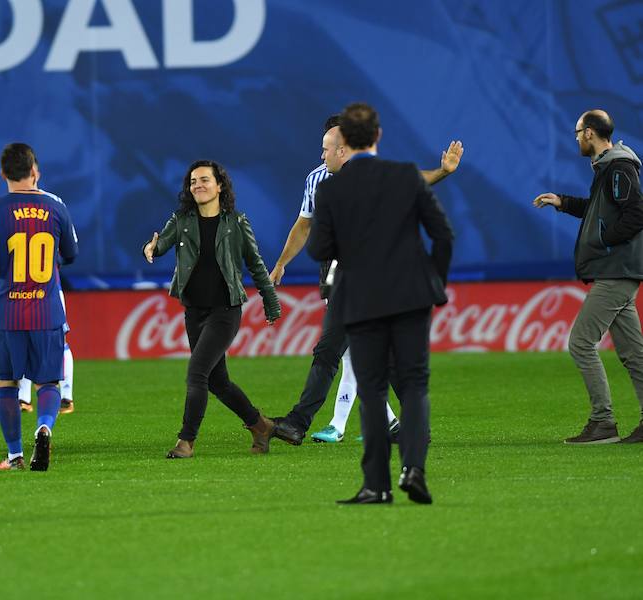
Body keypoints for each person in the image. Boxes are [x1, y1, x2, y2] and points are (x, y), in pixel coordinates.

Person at [271, 117, 462, 446]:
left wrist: (442, 171)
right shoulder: (317, 180)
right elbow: (303, 226)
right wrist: (280, 264)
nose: (321, 156)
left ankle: (301, 422)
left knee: (356, 354)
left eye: (325, 150)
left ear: (342, 151)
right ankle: (301, 422)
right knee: (336, 351)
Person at [308, 103, 453, 504]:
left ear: (344, 142)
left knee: (371, 391)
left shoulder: (331, 187)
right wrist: (433, 283)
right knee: (413, 386)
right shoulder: (406, 176)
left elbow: (318, 247)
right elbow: (443, 235)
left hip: (360, 299)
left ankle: (376, 485)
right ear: (377, 136)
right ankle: (414, 469)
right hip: (410, 297)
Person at [143, 159, 281, 458]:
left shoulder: (236, 223)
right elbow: (163, 241)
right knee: (218, 382)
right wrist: (152, 247)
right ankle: (261, 425)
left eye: (205, 180)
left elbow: (256, 266)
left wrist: (270, 301)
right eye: (193, 181)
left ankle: (186, 441)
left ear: (220, 186)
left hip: (225, 311)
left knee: (197, 373)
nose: (198, 185)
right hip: (194, 311)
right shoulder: (181, 220)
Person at [533, 109, 643, 444]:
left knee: (581, 343)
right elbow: (601, 211)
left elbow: (637, 212)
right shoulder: (610, 166)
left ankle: (603, 422)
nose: (577, 137)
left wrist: (605, 240)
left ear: (591, 133)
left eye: (578, 131)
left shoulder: (619, 167)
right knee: (634, 354)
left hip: (616, 271)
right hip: (619, 270)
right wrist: (563, 202)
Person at [0, 143, 78, 471]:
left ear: (3, 173)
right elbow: (72, 253)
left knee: (7, 385)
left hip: (7, 311)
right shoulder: (56, 208)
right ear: (34, 171)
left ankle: (15, 455)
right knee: (48, 383)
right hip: (46, 310)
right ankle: (44, 426)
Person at [19, 285, 74, 414]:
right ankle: (24, 399)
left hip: (49, 291)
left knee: (60, 340)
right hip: (20, 291)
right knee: (22, 340)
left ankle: (66, 397)